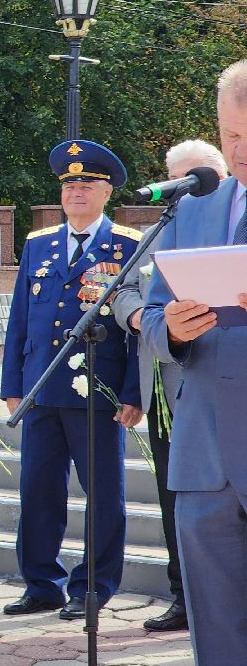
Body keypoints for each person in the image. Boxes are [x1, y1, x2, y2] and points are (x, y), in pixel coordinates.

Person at [141, 59, 247, 666]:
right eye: (228, 134)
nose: (237, 152)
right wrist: (171, 330)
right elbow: (145, 315)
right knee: (220, 656)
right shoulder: (197, 208)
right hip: (207, 464)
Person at [0, 141, 143, 621]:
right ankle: (42, 583)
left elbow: (137, 329)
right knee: (38, 489)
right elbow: (19, 319)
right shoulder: (40, 244)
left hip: (99, 393)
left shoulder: (125, 245)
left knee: (103, 493)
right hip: (42, 388)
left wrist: (133, 392)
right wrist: (12, 384)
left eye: (87, 184)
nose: (76, 192)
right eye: (69, 185)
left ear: (106, 192)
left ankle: (95, 585)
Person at [115, 138, 227, 633]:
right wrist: (140, 315)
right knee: (172, 496)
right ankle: (184, 596)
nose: (190, 191)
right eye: (180, 182)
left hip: (217, 390)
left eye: (198, 178)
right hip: (163, 385)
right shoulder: (160, 234)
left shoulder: (229, 229)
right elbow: (118, 288)